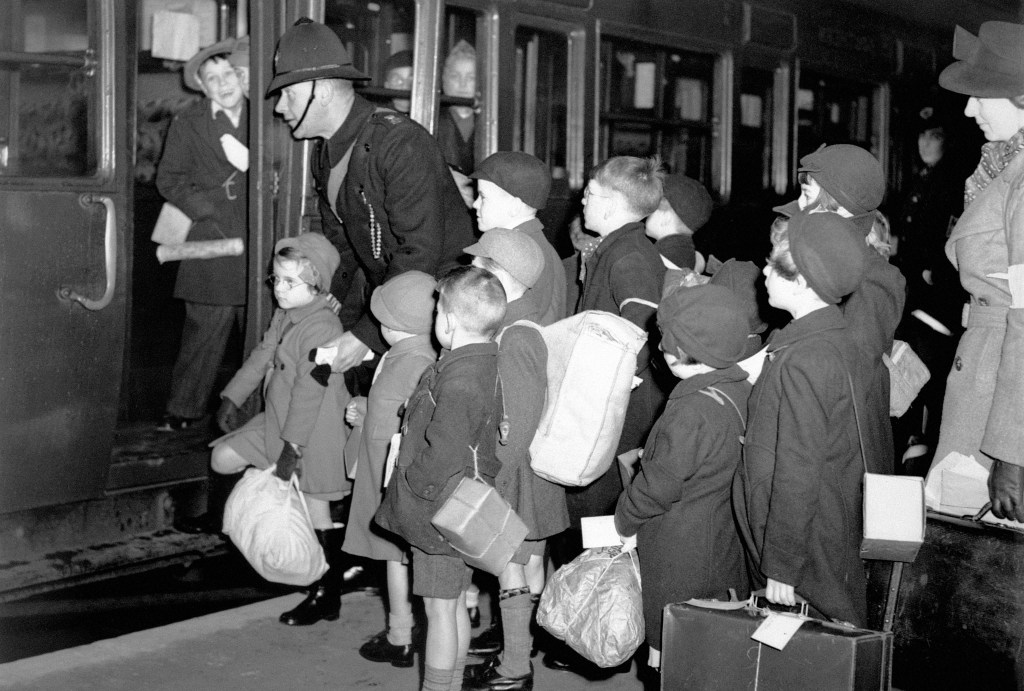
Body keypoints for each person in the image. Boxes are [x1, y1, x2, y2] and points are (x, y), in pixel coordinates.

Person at [267, 18, 475, 373]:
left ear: (324, 91)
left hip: (442, 312)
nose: (280, 107)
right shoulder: (327, 153)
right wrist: (325, 303)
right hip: (390, 302)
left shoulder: (400, 143)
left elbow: (419, 253)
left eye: (289, 94)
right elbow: (345, 248)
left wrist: (363, 337)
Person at [733, 211, 869, 626]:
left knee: (812, 643)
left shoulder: (804, 359)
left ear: (804, 283)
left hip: (802, 535)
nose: (764, 273)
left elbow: (798, 467)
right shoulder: (832, 339)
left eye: (774, 266)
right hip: (824, 520)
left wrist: (783, 564)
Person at [375, 266, 507, 691]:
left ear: (447, 320)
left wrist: (415, 483)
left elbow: (444, 449)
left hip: (439, 513)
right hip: (462, 507)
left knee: (438, 612)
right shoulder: (480, 363)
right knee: (451, 608)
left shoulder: (461, 377)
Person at [211, 233, 351, 626]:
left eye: (292, 283)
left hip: (311, 432)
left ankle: (326, 590)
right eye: (277, 280)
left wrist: (292, 449)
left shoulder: (322, 327)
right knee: (223, 458)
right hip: (278, 420)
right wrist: (232, 397)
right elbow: (262, 355)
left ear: (318, 286)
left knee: (316, 507)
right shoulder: (287, 314)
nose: (281, 290)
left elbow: (310, 393)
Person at [614, 282, 752, 672]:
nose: (659, 348)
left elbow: (657, 488)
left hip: (679, 555)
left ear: (691, 350)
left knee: (673, 659)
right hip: (719, 543)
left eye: (667, 342)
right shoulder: (738, 389)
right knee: (704, 656)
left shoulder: (690, 410)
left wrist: (623, 521)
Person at [924, 21, 1024, 523]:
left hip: (999, 399)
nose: (968, 109)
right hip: (989, 372)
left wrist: (1011, 452)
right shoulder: (1004, 169)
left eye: (979, 96)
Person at [461, 230, 570, 690]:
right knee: (524, 567)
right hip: (524, 473)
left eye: (479, 268)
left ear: (498, 276)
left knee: (513, 568)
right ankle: (518, 657)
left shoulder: (516, 337)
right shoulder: (521, 324)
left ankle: (515, 668)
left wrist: (492, 476)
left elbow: (518, 422)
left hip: (515, 475)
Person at [786, 143, 906, 475]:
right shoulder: (833, 261)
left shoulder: (871, 278)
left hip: (842, 448)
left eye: (806, 195)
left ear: (837, 208)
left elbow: (854, 377)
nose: (798, 206)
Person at [343, 272, 438, 668]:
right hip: (385, 468)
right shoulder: (406, 354)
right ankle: (407, 633)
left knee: (397, 556)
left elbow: (415, 417)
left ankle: (404, 636)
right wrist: (367, 407)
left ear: (392, 323)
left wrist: (368, 411)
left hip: (392, 474)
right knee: (395, 557)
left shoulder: (414, 360)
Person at [156, 38, 249, 433]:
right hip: (211, 234)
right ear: (202, 85)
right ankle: (183, 412)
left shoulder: (267, 116)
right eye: (212, 78)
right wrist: (204, 207)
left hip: (258, 232)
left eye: (228, 73)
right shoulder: (189, 122)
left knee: (261, 330)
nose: (223, 83)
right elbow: (168, 179)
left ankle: (254, 415)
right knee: (204, 328)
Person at [471, 151, 566, 324]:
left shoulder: (510, 255)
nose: (475, 204)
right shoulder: (539, 245)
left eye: (483, 197)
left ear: (514, 206)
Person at [645, 173, 713, 272]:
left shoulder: (653, 260)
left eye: (651, 209)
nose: (646, 213)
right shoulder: (690, 257)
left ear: (665, 217)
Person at [438, 39, 477, 203]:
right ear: (444, 80)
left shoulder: (490, 121)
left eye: (470, 77)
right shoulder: (431, 118)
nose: (462, 84)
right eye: (455, 76)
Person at [383, 49, 414, 114]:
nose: (405, 86)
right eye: (397, 80)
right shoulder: (376, 117)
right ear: (387, 85)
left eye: (412, 80)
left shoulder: (436, 118)